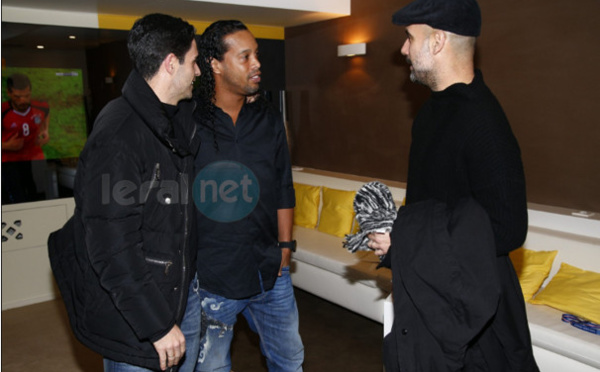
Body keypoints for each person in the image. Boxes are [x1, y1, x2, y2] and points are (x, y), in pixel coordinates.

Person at [367, 0, 539, 370]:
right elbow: (431, 205)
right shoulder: (432, 110)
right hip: (432, 291)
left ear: (438, 41)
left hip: (475, 313)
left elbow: (508, 228)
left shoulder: (484, 123)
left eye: (410, 38)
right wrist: (398, 235)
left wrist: (408, 240)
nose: (403, 49)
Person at [48, 13, 202, 372]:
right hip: (140, 321)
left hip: (179, 300)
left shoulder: (172, 121)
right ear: (170, 63)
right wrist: (157, 325)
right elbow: (111, 249)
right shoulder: (118, 134)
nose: (197, 73)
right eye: (193, 63)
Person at [191, 20, 304, 372]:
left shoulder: (267, 119)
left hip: (271, 274)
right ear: (216, 64)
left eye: (257, 54)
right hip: (214, 278)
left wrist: (285, 251)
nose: (257, 63)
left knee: (289, 361)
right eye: (245, 56)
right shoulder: (188, 121)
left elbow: (283, 185)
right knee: (211, 368)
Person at [2, 73, 50, 162]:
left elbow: (47, 111)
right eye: (17, 97)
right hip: (10, 163)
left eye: (27, 96)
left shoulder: (40, 107)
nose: (23, 100)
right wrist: (6, 146)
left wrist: (45, 130)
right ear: (9, 93)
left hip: (36, 160)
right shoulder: (3, 111)